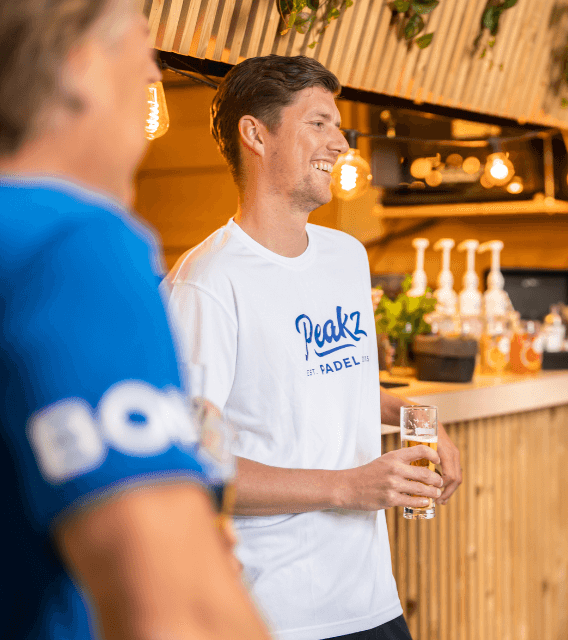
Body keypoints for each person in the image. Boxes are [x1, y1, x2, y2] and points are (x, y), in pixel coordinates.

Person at [162, 54, 463, 640]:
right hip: (274, 611)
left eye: (339, 127)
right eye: (319, 123)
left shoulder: (346, 256)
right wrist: (347, 486)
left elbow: (327, 383)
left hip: (370, 594)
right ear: (255, 134)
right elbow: (194, 466)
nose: (341, 143)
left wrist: (410, 414)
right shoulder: (207, 282)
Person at [0, 1, 272, 639]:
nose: (154, 74)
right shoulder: (71, 243)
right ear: (80, 67)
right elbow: (176, 613)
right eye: (142, 45)